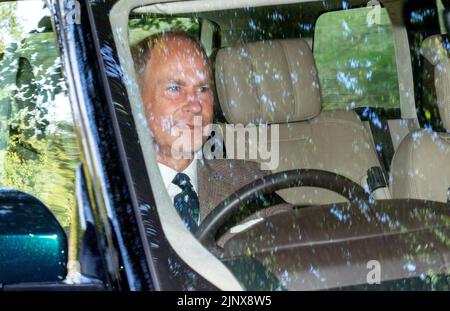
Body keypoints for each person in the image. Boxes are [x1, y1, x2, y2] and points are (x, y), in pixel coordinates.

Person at [132, 32, 271, 233]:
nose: (195, 106)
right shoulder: (115, 197)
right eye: (174, 88)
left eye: (203, 89)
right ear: (137, 101)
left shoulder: (251, 180)